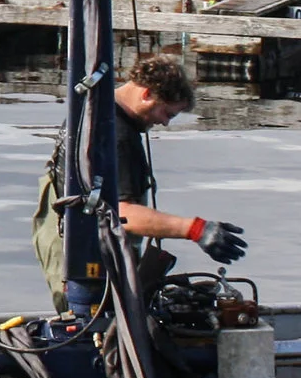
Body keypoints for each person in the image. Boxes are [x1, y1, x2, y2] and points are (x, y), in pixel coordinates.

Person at [30, 51, 248, 313]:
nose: (165, 122)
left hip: (72, 245)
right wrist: (195, 229)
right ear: (147, 95)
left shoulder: (93, 109)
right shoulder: (116, 136)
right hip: (83, 260)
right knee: (96, 326)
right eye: (167, 112)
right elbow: (123, 213)